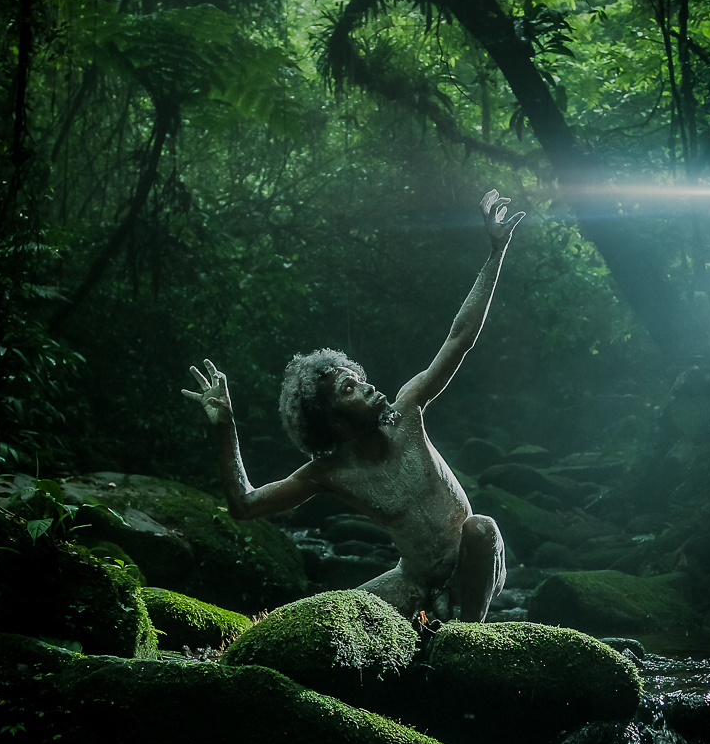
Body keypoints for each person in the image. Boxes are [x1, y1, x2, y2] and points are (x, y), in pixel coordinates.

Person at [182, 190, 524, 622]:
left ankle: (466, 639)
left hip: (475, 566)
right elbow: (245, 505)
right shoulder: (329, 473)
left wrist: (496, 252)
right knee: (329, 620)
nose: (366, 388)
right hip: (413, 580)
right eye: (350, 389)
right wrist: (224, 426)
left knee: (481, 527)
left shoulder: (408, 411)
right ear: (330, 420)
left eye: (360, 380)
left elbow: (461, 338)